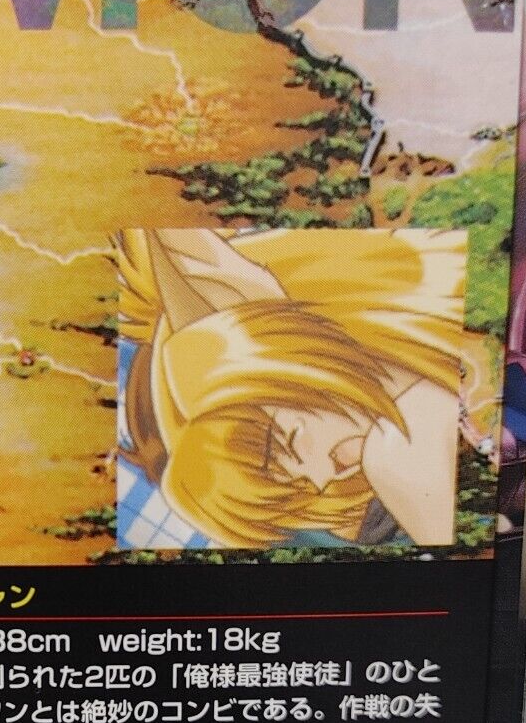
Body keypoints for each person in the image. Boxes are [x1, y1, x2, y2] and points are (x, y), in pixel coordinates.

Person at [118, 226, 472, 550]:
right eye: (297, 486)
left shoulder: (393, 453)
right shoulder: (388, 460)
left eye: (290, 442)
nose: (320, 480)